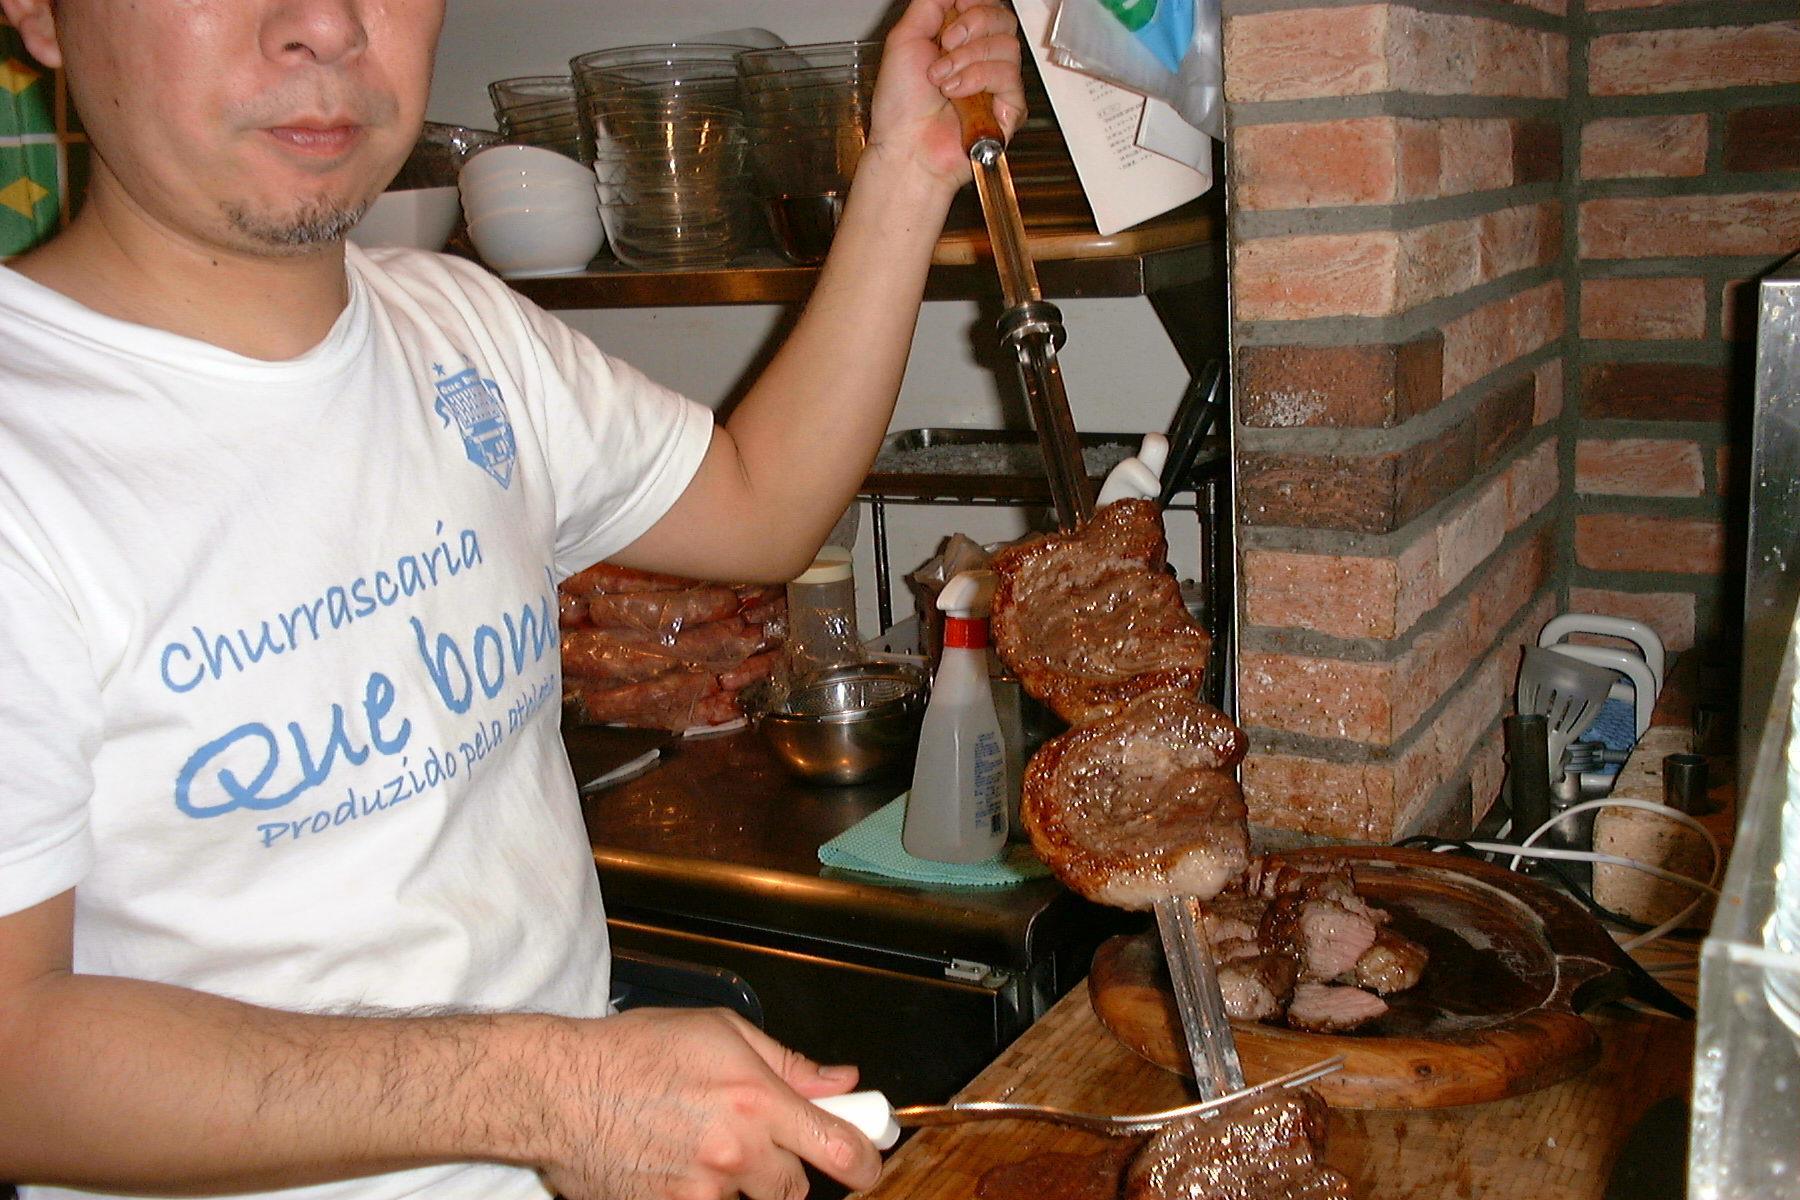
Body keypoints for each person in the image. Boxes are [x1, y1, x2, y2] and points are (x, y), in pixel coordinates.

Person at [0, 1, 1024, 1199]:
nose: (325, 25)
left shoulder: (464, 331)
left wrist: (905, 167)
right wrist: (552, 1090)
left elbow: (759, 504)